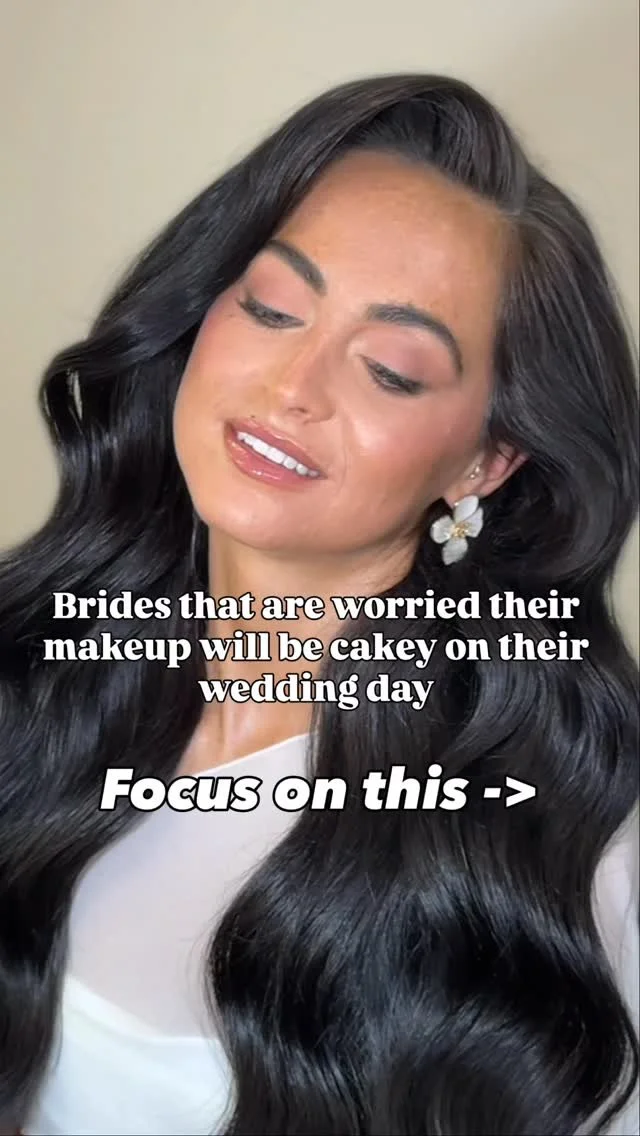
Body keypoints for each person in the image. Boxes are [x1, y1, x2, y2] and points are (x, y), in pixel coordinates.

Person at [0, 73, 637, 1136]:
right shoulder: (38, 668)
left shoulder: (576, 862)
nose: (291, 386)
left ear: (484, 461)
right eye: (270, 306)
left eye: (391, 370)